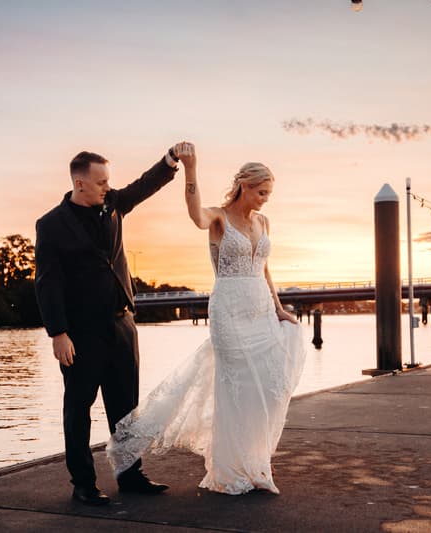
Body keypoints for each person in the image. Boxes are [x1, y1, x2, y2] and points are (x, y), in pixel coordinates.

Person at [108, 148, 306, 495]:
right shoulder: (218, 218)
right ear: (244, 185)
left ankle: (256, 462)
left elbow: (265, 268)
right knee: (236, 392)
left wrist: (278, 308)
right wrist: (191, 168)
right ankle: (230, 471)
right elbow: (195, 214)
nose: (265, 200)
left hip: (260, 309)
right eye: (262, 192)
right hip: (229, 312)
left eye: (269, 194)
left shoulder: (263, 222)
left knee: (267, 393)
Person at [34, 143, 193, 506]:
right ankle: (84, 484)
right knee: (78, 408)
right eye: (101, 181)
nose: (108, 186)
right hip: (80, 333)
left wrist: (170, 160)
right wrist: (58, 333)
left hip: (122, 325)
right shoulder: (51, 225)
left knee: (126, 409)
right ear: (80, 183)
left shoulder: (113, 204)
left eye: (109, 180)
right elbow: (48, 281)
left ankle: (130, 474)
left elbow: (143, 186)